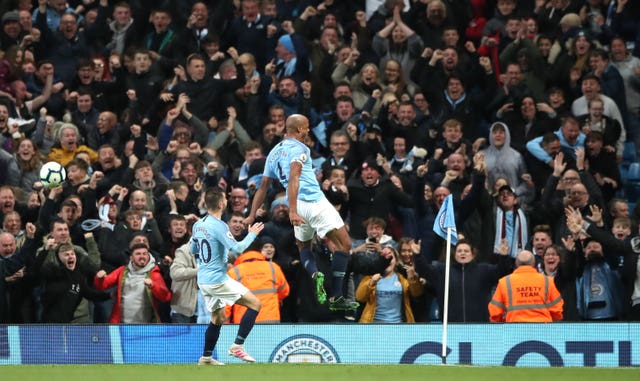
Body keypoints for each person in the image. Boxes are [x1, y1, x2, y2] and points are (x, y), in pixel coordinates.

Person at [246, 114, 380, 311]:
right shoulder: (300, 149)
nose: (308, 131)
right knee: (345, 244)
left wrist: (250, 215)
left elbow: (263, 186)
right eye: (307, 127)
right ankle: (336, 296)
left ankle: (315, 273)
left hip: (297, 206)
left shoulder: (273, 153)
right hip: (312, 202)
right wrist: (292, 211)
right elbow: (294, 176)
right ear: (299, 130)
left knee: (304, 246)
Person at [190, 187, 264, 365]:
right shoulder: (220, 226)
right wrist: (252, 234)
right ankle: (237, 345)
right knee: (255, 304)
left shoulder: (197, 225)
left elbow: (193, 249)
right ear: (222, 203)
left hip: (204, 280)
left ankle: (206, 358)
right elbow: (237, 249)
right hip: (217, 280)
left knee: (218, 317)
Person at [488, 250, 564, 322]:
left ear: (516, 264)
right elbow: (557, 311)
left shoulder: (504, 282)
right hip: (542, 330)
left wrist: (504, 321)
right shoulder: (547, 281)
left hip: (514, 329)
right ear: (534, 264)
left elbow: (495, 313)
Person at [226, 241, 289, 324]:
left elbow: (226, 303)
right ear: (259, 251)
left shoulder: (234, 272)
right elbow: (285, 291)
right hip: (271, 321)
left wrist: (224, 326)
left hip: (243, 323)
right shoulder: (273, 267)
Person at [355, 246, 422, 323]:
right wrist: (371, 282)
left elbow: (417, 294)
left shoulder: (402, 279)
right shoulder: (370, 277)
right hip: (373, 323)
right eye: (384, 258)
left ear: (396, 260)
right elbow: (359, 297)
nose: (388, 260)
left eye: (390, 257)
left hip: (398, 324)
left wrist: (412, 279)